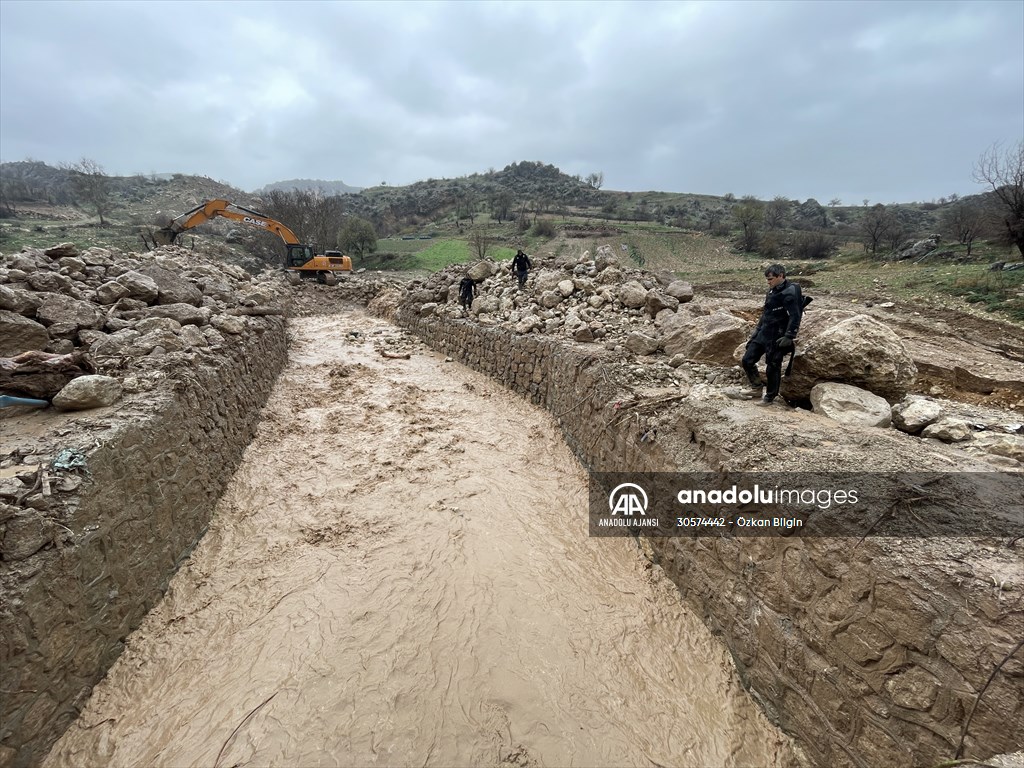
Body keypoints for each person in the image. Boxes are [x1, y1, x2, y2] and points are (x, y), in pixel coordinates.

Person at [740, 263, 804, 406]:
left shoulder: (791, 292)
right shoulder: (772, 291)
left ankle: (770, 396)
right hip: (764, 331)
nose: (768, 282)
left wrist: (789, 336)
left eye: (771, 279)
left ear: (781, 276)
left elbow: (795, 315)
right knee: (747, 360)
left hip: (778, 335)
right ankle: (756, 387)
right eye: (767, 280)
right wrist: (755, 333)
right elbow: (766, 313)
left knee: (773, 365)